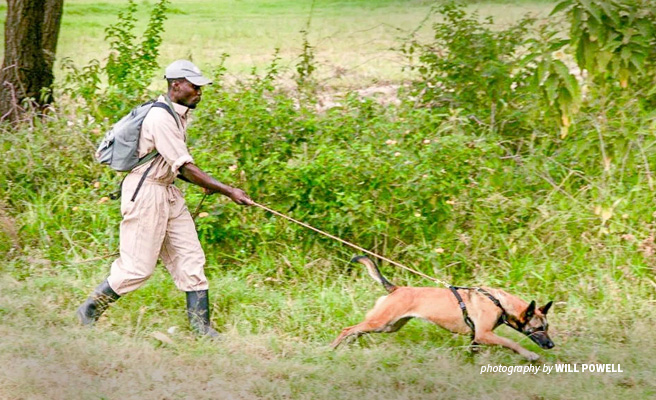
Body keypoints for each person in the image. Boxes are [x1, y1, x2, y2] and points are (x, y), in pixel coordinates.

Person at [77, 60, 253, 337]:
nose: (200, 92)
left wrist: (206, 184)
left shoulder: (177, 115)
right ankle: (89, 311)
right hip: (146, 194)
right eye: (195, 87)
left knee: (191, 258)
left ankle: (201, 328)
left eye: (201, 87)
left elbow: (169, 164)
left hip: (167, 192)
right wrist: (229, 190)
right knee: (137, 268)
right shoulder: (160, 118)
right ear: (176, 85)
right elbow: (184, 166)